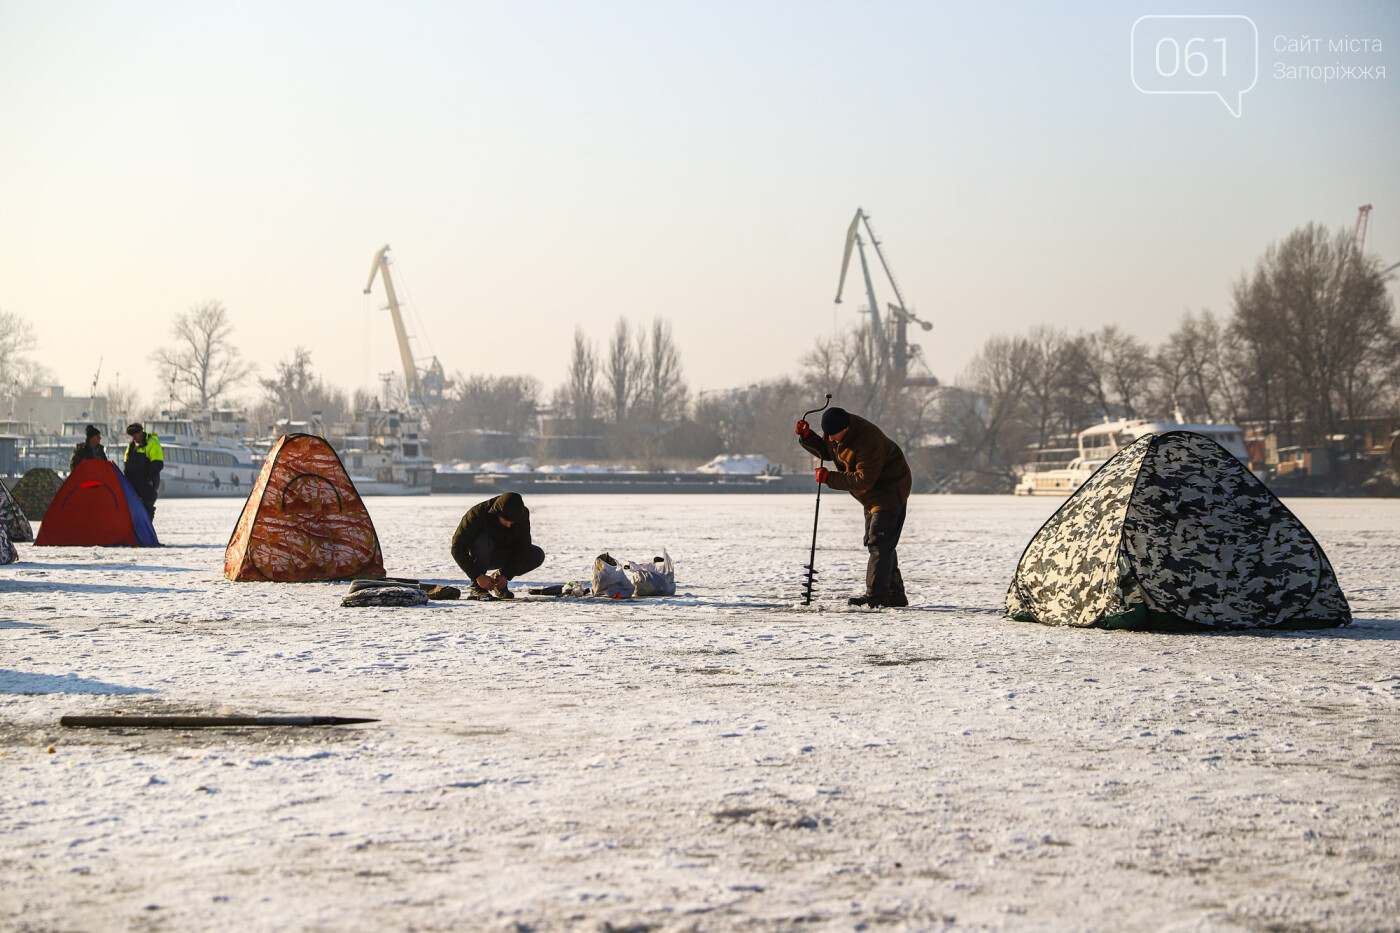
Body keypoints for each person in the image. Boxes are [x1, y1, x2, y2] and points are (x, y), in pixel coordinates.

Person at [796, 406, 912, 608]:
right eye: (827, 435)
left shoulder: (869, 440)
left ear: (846, 429)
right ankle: (895, 595)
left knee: (879, 543)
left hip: (889, 492)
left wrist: (829, 477)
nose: (830, 439)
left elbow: (863, 479)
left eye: (833, 435)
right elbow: (828, 450)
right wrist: (808, 437)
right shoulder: (835, 433)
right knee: (880, 542)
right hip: (870, 496)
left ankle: (876, 596)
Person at [450, 492, 544, 599]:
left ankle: (498, 581)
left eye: (512, 522)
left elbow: (523, 547)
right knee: (482, 540)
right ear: (497, 513)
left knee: (537, 554)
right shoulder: (477, 513)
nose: (509, 525)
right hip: (480, 554)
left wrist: (506, 574)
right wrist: (477, 575)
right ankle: (477, 587)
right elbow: (457, 547)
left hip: (504, 553)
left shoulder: (521, 515)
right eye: (506, 520)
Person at [122, 423, 163, 521]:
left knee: (147, 509)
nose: (134, 437)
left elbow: (157, 464)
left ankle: (146, 531)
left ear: (141, 432)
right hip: (133, 485)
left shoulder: (152, 443)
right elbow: (127, 465)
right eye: (132, 435)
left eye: (135, 434)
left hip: (147, 484)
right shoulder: (131, 447)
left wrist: (150, 479)